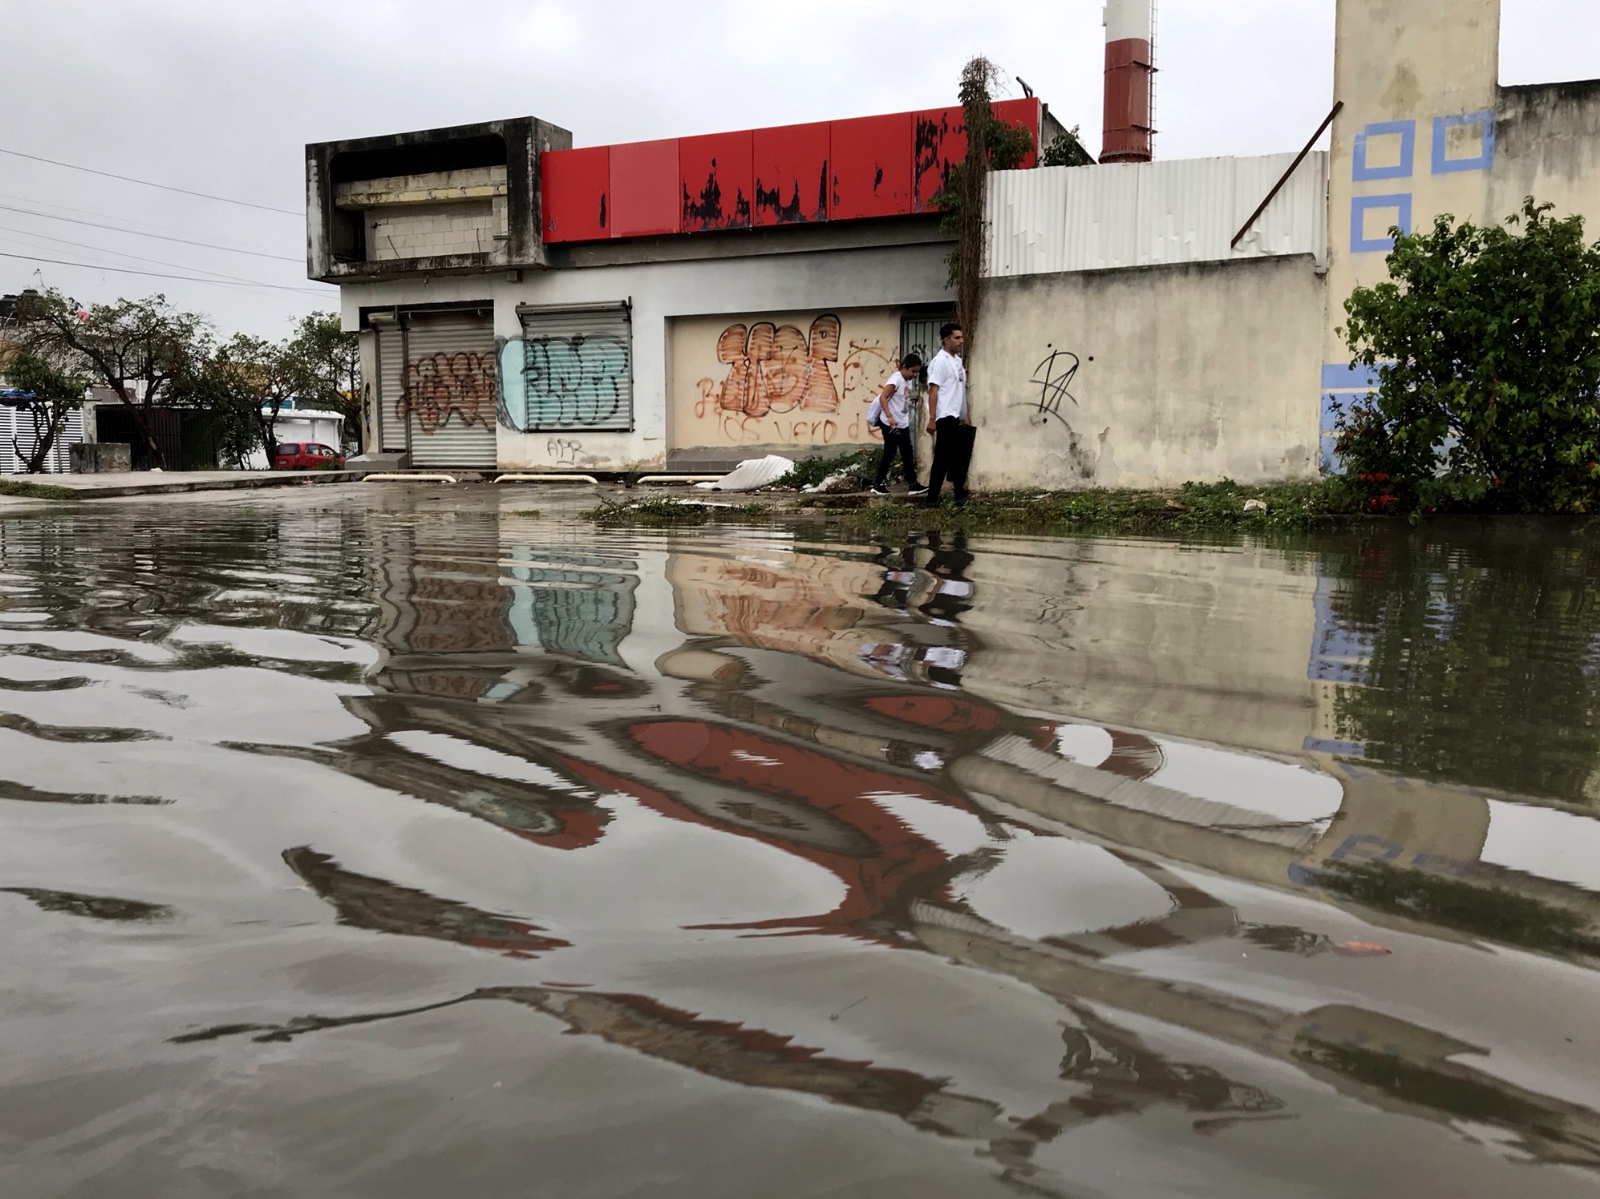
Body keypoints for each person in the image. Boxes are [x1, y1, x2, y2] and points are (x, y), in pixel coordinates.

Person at [923, 323, 973, 507]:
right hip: (944, 416)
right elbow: (933, 391)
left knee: (943, 458)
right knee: (959, 451)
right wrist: (932, 418)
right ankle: (959, 493)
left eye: (961, 337)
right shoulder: (940, 361)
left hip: (954, 415)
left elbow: (959, 390)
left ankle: (932, 499)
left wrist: (964, 414)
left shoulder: (957, 361)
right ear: (946, 340)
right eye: (957, 338)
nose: (961, 341)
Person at [869, 352, 925, 496]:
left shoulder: (908, 380)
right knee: (890, 452)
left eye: (916, 372)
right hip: (890, 423)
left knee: (907, 453)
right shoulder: (896, 379)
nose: (914, 375)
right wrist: (890, 417)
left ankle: (913, 485)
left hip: (902, 423)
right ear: (904, 367)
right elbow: (883, 397)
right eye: (913, 371)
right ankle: (877, 484)